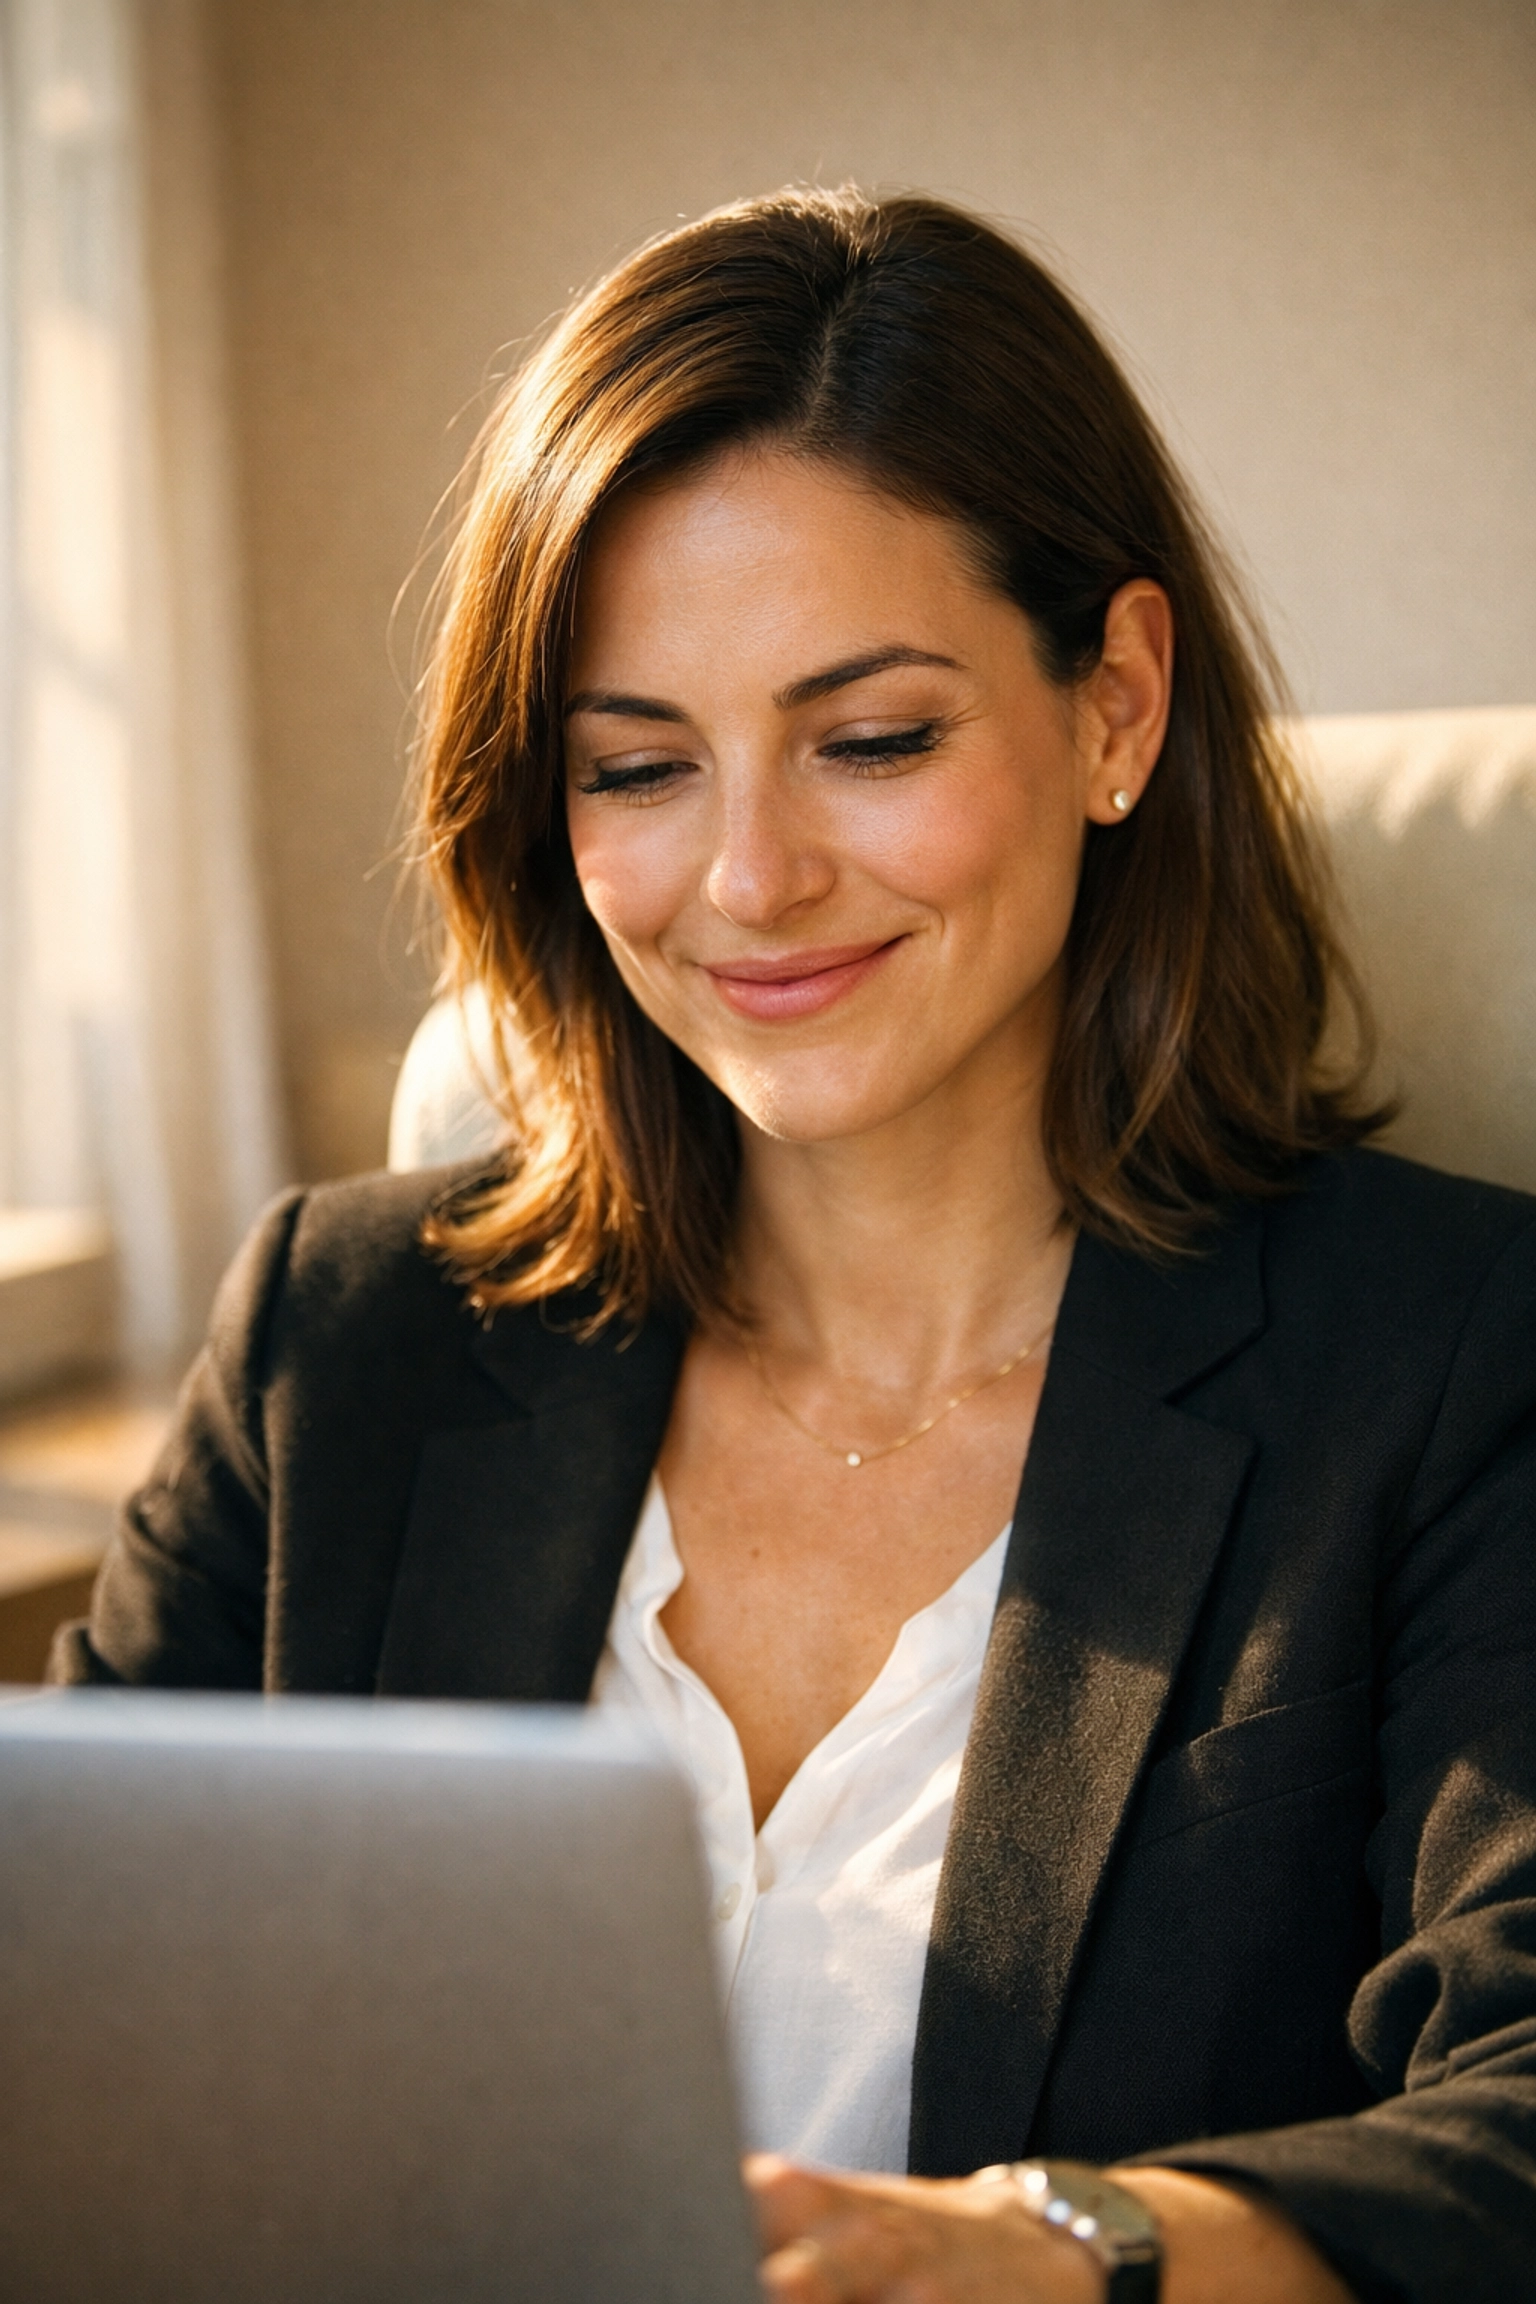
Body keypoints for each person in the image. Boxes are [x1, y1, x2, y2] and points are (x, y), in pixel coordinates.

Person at [53, 190, 1536, 2303]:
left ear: (1115, 706)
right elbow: (74, 2021)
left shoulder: (1455, 1355)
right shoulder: (340, 1339)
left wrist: (1062, 2249)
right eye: (638, 766)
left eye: (871, 740)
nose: (748, 876)